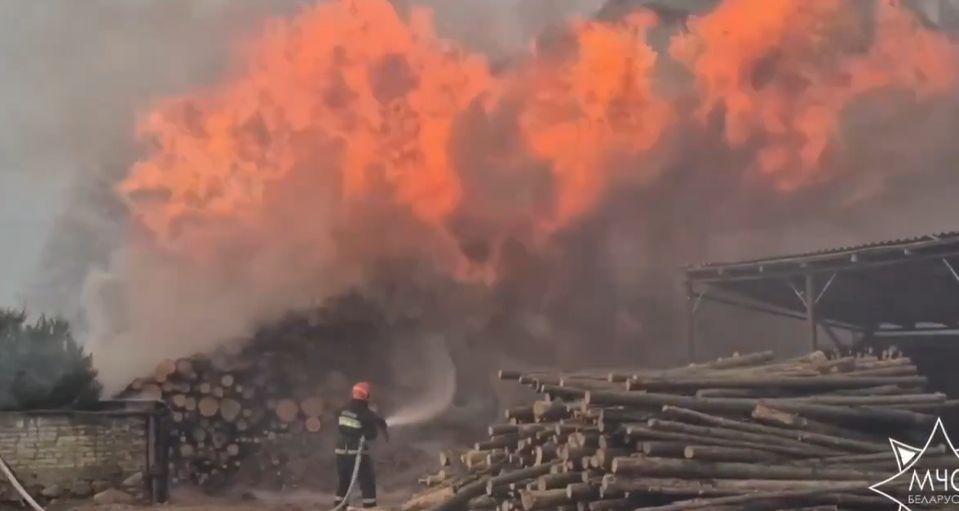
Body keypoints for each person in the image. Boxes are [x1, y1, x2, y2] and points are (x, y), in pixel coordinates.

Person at [334, 381, 388, 508]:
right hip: (356, 452)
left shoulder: (342, 410)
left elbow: (345, 419)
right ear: (367, 396)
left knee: (344, 481)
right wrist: (377, 424)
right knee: (367, 481)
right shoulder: (367, 414)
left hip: (340, 450)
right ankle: (370, 507)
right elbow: (371, 435)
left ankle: (339, 506)